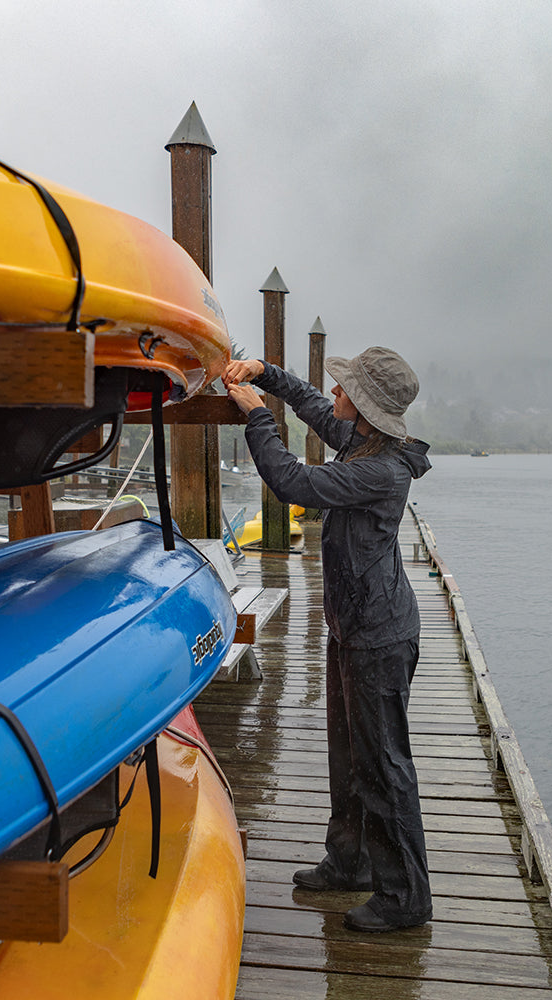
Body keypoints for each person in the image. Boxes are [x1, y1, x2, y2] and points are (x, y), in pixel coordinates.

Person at [223, 346, 433, 933]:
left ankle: (406, 897)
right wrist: (265, 374)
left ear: (365, 408)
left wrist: (256, 414)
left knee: (383, 765)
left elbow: (291, 481)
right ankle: (350, 862)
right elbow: (313, 404)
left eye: (347, 388)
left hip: (380, 636)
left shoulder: (380, 469)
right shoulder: (360, 439)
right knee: (348, 755)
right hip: (353, 625)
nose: (335, 392)